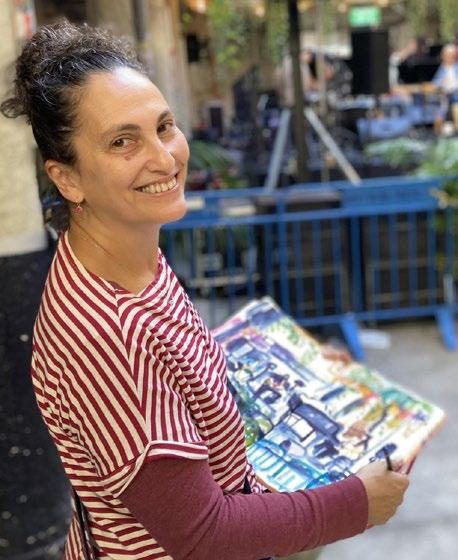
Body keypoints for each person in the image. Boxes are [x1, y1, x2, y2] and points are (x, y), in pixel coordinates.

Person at [1, 20, 410, 560]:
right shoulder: (105, 333)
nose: (164, 158)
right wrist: (356, 504)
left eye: (164, 126)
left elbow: (173, 375)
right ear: (67, 178)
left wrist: (299, 368)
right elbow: (202, 536)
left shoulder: (132, 257)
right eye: (123, 141)